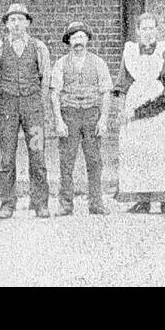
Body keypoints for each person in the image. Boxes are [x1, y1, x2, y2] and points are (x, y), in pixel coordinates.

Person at [112, 12, 165, 214]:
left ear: (157, 30)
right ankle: (142, 199)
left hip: (160, 107)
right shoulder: (129, 51)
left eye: (151, 28)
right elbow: (122, 82)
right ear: (138, 31)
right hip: (135, 104)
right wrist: (121, 109)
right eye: (143, 28)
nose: (148, 32)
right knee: (139, 153)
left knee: (163, 151)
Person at [0, 2, 52, 219]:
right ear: (6, 24)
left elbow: (45, 78)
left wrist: (37, 103)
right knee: (6, 157)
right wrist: (4, 96)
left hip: (33, 110)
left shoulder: (39, 47)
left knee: (37, 154)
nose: (16, 24)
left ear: (28, 23)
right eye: (12, 20)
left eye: (20, 20)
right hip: (8, 109)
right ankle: (7, 204)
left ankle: (40, 203)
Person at [49, 20, 113, 216]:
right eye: (74, 37)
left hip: (91, 113)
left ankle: (96, 203)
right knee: (66, 160)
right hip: (70, 113)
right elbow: (55, 94)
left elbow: (106, 92)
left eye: (82, 36)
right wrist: (59, 120)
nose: (78, 41)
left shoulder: (98, 62)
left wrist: (103, 120)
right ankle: (66, 204)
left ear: (87, 40)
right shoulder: (60, 64)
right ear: (68, 41)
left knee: (94, 160)